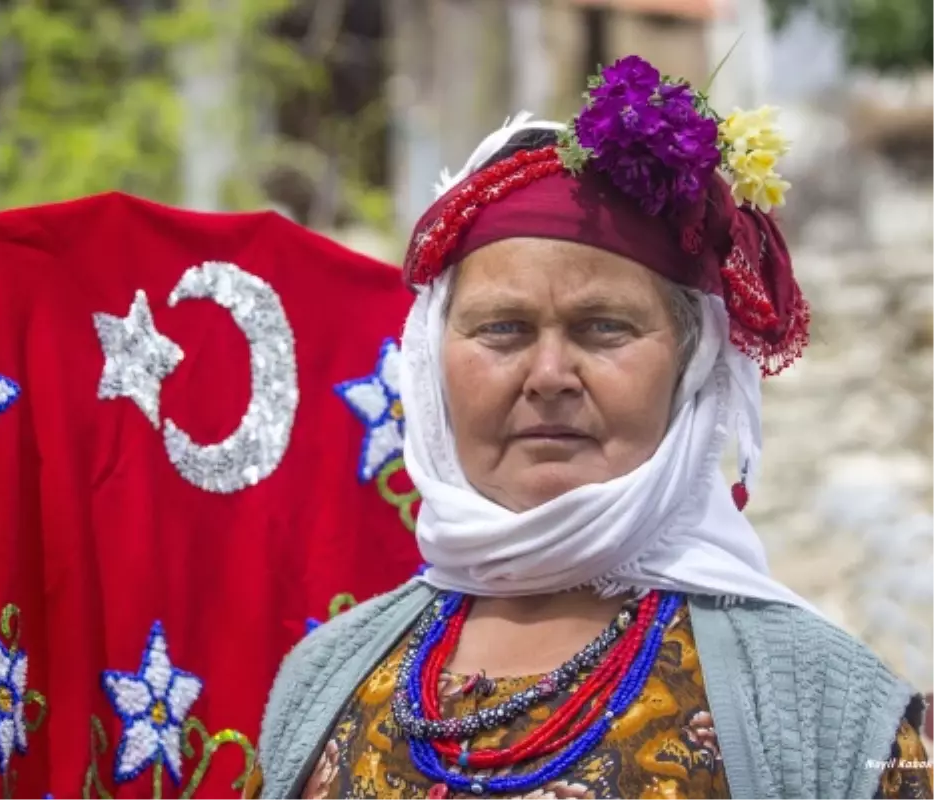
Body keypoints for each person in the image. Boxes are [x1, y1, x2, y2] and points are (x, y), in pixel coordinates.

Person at [247, 56, 933, 799]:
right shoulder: (323, 682)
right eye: (502, 329)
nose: (548, 375)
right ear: (431, 361)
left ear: (690, 363)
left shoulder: (831, 708)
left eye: (604, 328)